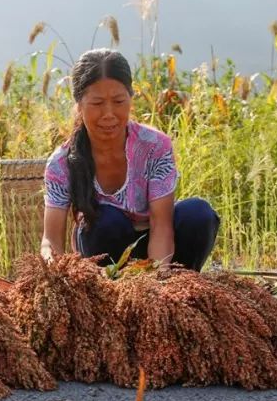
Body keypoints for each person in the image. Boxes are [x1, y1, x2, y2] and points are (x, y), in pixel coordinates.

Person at [40, 48, 220, 271]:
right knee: (105, 221)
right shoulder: (61, 164)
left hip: (159, 245)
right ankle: (109, 294)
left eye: (118, 101)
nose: (109, 113)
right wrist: (53, 272)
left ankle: (179, 292)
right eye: (97, 103)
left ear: (130, 99)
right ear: (79, 105)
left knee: (198, 214)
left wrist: (155, 284)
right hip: (105, 248)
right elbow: (51, 241)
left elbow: (161, 225)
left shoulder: (154, 146)